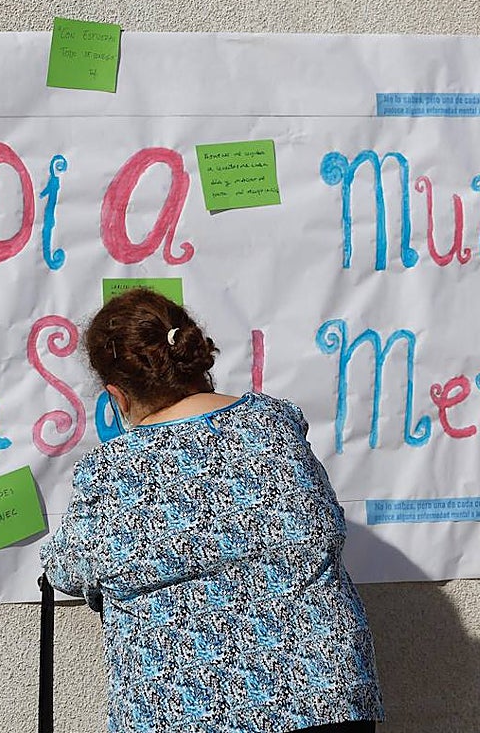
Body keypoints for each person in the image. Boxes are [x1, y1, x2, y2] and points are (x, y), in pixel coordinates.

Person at [40, 288, 383, 733]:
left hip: (185, 712)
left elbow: (68, 568)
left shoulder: (111, 472)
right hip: (327, 700)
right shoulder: (276, 424)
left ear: (116, 396)